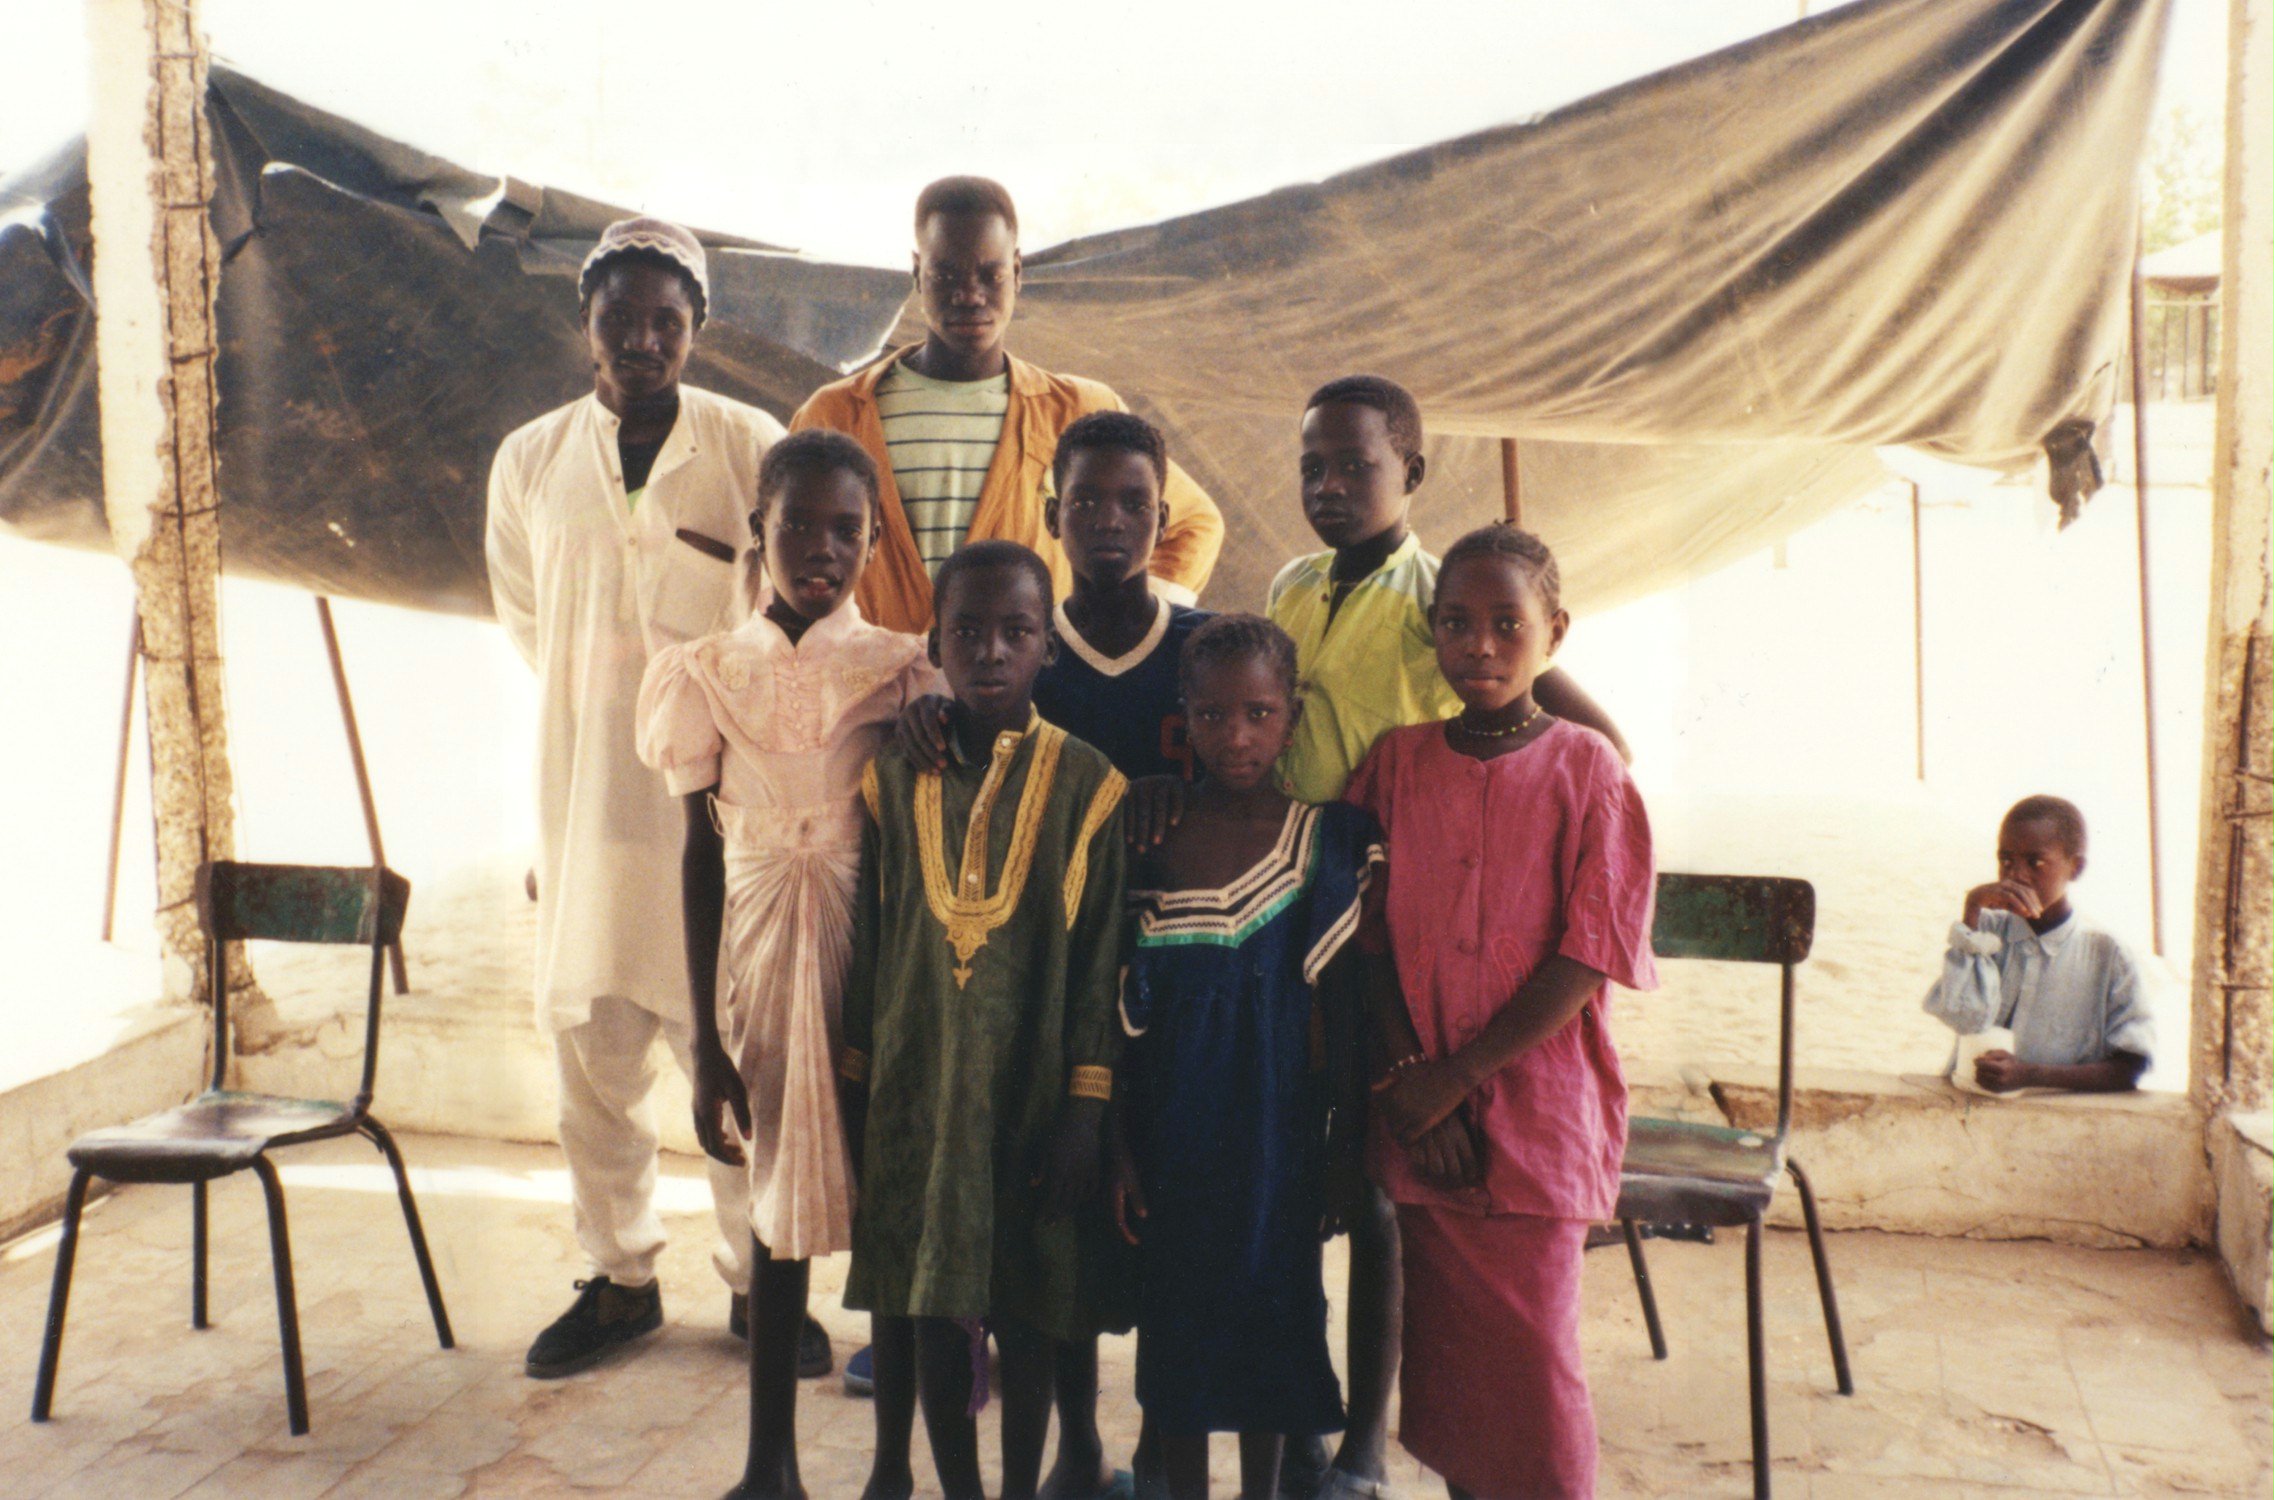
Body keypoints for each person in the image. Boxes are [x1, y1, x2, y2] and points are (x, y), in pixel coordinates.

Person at [1244, 375, 1625, 1500]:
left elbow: (1574, 729)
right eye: (1311, 465)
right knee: (1317, 1171)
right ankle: (1306, 1424)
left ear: (1409, 471)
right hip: (1320, 922)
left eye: (1355, 466)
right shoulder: (1292, 585)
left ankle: (1363, 1445)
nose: (1328, 485)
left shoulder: (1437, 591)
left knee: (1384, 1206)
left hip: (1425, 932)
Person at [895, 408, 1204, 1498]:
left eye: (1132, 503)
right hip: (1035, 988)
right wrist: (925, 717)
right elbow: (973, 720)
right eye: (1086, 501)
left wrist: (1189, 786)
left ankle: (1168, 1443)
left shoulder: (1198, 643)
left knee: (1158, 1214)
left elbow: (1247, 752)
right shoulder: (1028, 634)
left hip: (1173, 981)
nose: (1109, 522)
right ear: (1050, 509)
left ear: (1163, 518)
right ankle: (1076, 1441)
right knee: (1055, 1239)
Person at [487, 216, 775, 1378]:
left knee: (735, 1050)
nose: (645, 339)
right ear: (586, 323)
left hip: (722, 811)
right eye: (623, 318)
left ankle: (764, 1284)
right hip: (584, 796)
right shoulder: (531, 460)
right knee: (592, 1056)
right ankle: (620, 1281)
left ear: (698, 327)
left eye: (669, 319)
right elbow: (525, 618)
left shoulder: (750, 442)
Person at [636, 430, 940, 1497]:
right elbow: (696, 859)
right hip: (761, 960)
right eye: (798, 523)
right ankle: (770, 1464)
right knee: (777, 1204)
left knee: (888, 1209)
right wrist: (710, 1047)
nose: (823, 547)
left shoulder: (902, 668)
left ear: (872, 540)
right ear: (757, 532)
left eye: (846, 529)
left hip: (872, 955)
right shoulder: (705, 673)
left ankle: (893, 1469)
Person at [1349, 523, 1657, 1500]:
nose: (1478, 645)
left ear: (1554, 633)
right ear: (1430, 634)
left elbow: (1591, 953)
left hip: (1540, 1114)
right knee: (1458, 1383)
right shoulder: (1394, 765)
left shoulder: (1590, 771)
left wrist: (1456, 1078)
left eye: (1505, 624)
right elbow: (1360, 939)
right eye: (1455, 623)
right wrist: (1411, 1085)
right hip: (1420, 1120)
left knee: (1534, 1375)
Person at [841, 542, 1130, 1500]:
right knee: (931, 1307)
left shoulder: (1091, 787)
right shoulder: (892, 779)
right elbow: (873, 950)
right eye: (968, 631)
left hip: (1036, 1100)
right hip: (919, 1099)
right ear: (935, 645)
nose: (992, 651)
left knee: (1033, 1310)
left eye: (1017, 632)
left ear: (1049, 647)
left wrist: (1087, 1110)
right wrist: (859, 1089)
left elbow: (1097, 971)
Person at [1110, 614, 1380, 1500]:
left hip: (1281, 1142)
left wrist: (1345, 1152)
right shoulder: (1150, 836)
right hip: (1173, 1140)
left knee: (1276, 1326)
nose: (1237, 736)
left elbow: (1342, 1018)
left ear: (1291, 718)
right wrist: (1118, 1145)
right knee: (1179, 1329)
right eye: (1216, 714)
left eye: (1260, 714)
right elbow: (1115, 1015)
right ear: (1183, 714)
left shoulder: (1328, 843)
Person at [790, 176, 1224, 632]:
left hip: (1032, 698)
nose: (969, 294)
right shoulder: (832, 417)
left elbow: (1195, 524)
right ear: (917, 272)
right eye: (945, 275)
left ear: (1017, 272)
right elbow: (786, 554)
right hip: (872, 694)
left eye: (990, 275)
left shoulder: (1078, 410)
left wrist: (1117, 626)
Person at [1923, 796, 2154, 1093]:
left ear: (2076, 868)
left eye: (2036, 862)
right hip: (1964, 1111)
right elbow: (1961, 1017)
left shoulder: (2107, 956)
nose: (2016, 875)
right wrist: (1971, 910)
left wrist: (2029, 1074)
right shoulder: (1985, 931)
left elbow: (2130, 1068)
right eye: (2005, 860)